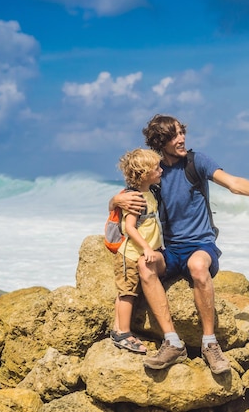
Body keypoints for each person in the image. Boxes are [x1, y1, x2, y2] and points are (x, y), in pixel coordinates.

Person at [110, 114, 249, 374]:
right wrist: (114, 202)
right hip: (172, 250)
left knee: (198, 267)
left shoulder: (196, 162)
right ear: (160, 141)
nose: (182, 138)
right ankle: (172, 342)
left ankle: (210, 343)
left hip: (201, 244)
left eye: (181, 132)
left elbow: (234, 184)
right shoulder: (155, 170)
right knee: (145, 265)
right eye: (174, 135)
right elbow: (132, 193)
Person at [110, 148, 164, 355]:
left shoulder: (149, 192)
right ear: (143, 174)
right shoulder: (135, 198)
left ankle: (118, 328)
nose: (161, 171)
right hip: (130, 255)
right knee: (127, 293)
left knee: (129, 292)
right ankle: (122, 333)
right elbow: (129, 228)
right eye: (156, 168)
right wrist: (147, 248)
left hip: (141, 253)